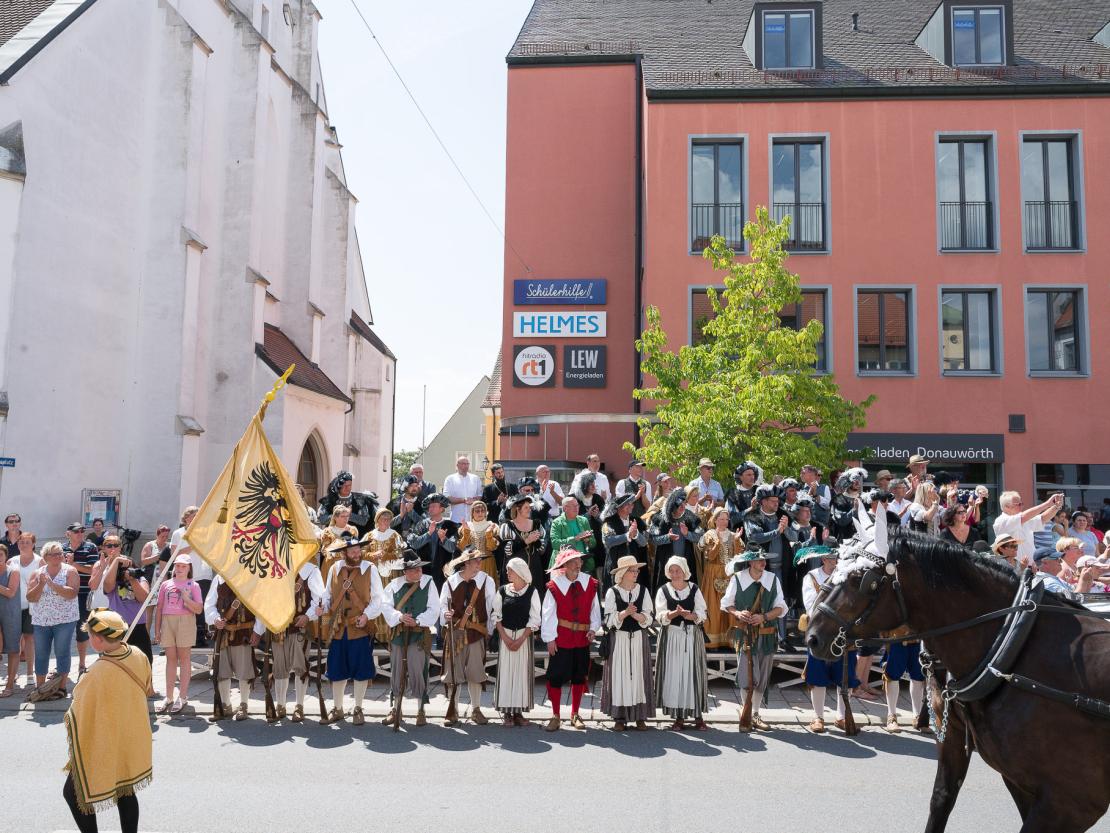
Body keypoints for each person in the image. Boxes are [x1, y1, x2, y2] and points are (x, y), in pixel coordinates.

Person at [62, 609, 151, 833]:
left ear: (99, 640)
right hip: (131, 735)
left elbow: (76, 710)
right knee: (126, 790)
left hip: (106, 741)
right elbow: (148, 687)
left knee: (74, 793)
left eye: (90, 635)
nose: (89, 638)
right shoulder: (139, 654)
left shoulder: (96, 672)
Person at [252, 554, 325, 722]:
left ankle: (299, 706)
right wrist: (258, 629)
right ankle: (281, 705)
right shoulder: (271, 569)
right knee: (279, 668)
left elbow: (320, 599)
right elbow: (264, 602)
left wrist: (308, 616)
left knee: (301, 667)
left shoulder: (311, 571)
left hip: (299, 627)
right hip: (277, 627)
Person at [321, 535, 384, 725]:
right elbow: (327, 595)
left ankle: (357, 708)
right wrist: (322, 608)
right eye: (352, 551)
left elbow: (378, 599)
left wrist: (366, 616)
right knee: (336, 670)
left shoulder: (370, 569)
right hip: (339, 628)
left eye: (358, 550)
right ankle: (338, 709)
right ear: (344, 553)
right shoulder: (334, 569)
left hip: (360, 626)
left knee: (361, 670)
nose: (357, 554)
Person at [722, 547, 785, 731]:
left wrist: (763, 617)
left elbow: (781, 607)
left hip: (766, 635)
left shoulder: (772, 579)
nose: (762, 562)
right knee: (746, 676)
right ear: (750, 562)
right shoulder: (738, 578)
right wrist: (738, 613)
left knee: (762, 677)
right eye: (758, 560)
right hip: (745, 635)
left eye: (764, 559)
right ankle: (746, 712)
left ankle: (755, 714)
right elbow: (726, 604)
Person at [541, 547, 601, 731]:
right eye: (573, 562)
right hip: (562, 637)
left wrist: (593, 628)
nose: (578, 564)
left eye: (579, 561)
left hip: (582, 638)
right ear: (564, 566)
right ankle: (555, 715)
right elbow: (548, 614)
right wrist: (550, 639)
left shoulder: (590, 583)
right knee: (556, 676)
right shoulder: (555, 585)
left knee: (579, 676)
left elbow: (594, 608)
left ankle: (575, 714)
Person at [798, 545, 856, 733]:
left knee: (845, 676)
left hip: (843, 632)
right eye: (832, 558)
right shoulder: (812, 577)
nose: (836, 561)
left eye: (837, 557)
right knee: (817, 675)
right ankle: (818, 717)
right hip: (821, 631)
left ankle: (841, 716)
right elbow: (811, 605)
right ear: (823, 559)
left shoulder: (847, 574)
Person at [380, 551, 440, 728]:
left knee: (418, 669)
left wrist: (418, 621)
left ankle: (421, 709)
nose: (419, 572)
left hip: (419, 635)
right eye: (415, 570)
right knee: (397, 670)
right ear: (405, 571)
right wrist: (399, 617)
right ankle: (395, 708)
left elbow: (434, 608)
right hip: (399, 635)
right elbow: (385, 605)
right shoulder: (393, 585)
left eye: (420, 569)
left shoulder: (428, 583)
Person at [439, 547, 495, 726]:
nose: (480, 563)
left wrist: (489, 631)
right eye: (476, 560)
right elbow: (442, 609)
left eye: (480, 560)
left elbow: (491, 608)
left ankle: (476, 709)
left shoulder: (487, 580)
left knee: (476, 672)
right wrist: (445, 615)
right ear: (466, 563)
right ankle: (453, 709)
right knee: (452, 674)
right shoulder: (450, 582)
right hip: (455, 633)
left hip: (476, 633)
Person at [654, 555, 708, 731]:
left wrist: (688, 615)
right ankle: (679, 717)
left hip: (691, 636)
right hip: (672, 637)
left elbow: (702, 613)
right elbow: (660, 615)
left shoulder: (694, 588)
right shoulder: (663, 590)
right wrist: (673, 614)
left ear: (684, 571)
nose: (675, 574)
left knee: (693, 674)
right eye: (672, 570)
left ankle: (698, 716)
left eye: (678, 570)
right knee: (675, 675)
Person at [601, 554, 654, 731]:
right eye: (632, 570)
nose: (636, 573)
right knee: (620, 677)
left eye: (637, 570)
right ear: (623, 573)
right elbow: (608, 621)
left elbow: (649, 617)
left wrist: (634, 614)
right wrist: (625, 613)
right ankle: (619, 717)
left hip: (638, 638)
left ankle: (640, 716)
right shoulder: (612, 592)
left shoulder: (643, 591)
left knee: (639, 676)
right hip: (620, 640)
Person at [26, 541, 80, 696]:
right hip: (42, 620)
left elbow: (72, 593)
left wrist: (52, 584)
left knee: (62, 651)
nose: (58, 556)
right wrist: (42, 584)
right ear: (45, 556)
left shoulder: (70, 571)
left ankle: (62, 688)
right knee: (41, 653)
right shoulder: (37, 574)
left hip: (65, 619)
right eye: (54, 554)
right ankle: (41, 688)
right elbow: (31, 597)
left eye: (60, 553)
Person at [492, 556, 540, 726]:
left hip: (523, 638)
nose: (507, 572)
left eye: (510, 570)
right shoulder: (503, 591)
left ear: (519, 572)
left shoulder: (532, 592)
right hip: (505, 636)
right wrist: (505, 638)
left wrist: (520, 639)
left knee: (521, 674)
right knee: (506, 674)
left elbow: (535, 619)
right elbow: (496, 616)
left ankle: (518, 713)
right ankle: (506, 713)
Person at [153, 554, 203, 714]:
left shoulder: (194, 585)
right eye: (177, 566)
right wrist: (157, 629)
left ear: (189, 568)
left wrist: (186, 599)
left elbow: (199, 609)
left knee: (184, 658)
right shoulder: (166, 584)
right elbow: (159, 607)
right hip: (168, 621)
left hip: (186, 621)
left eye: (183, 566)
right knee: (170, 658)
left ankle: (182, 696)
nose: (179, 569)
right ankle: (168, 696)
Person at [204, 574, 256, 721]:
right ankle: (225, 705)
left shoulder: (250, 576)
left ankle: (243, 705)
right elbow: (209, 605)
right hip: (223, 632)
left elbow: (259, 607)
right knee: (222, 671)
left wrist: (258, 631)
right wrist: (215, 619)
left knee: (244, 671)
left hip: (244, 633)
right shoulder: (219, 579)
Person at [98, 536, 153, 664]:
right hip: (117, 627)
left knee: (144, 663)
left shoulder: (140, 580)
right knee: (116, 663)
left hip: (137, 626)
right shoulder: (113, 582)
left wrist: (132, 580)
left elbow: (144, 598)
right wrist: (116, 560)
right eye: (123, 569)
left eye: (128, 567)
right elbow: (107, 585)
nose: (126, 571)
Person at [361, 507, 406, 644]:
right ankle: (375, 634)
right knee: (375, 600)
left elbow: (401, 552)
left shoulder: (394, 535)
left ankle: (389, 633)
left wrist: (387, 555)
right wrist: (372, 555)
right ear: (377, 520)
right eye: (383, 518)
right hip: (373, 576)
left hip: (391, 575)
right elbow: (360, 552)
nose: (386, 521)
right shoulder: (369, 536)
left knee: (389, 601)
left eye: (388, 519)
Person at [697, 507, 740, 649]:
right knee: (713, 605)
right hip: (713, 573)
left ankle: (730, 640)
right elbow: (708, 555)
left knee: (730, 605)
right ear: (715, 520)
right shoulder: (710, 534)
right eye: (721, 519)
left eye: (726, 519)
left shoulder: (733, 535)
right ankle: (713, 639)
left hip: (729, 573)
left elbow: (739, 556)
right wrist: (716, 544)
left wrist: (737, 542)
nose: (724, 522)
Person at [169, 506, 212, 647]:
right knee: (186, 606)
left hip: (204, 574)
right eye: (194, 515)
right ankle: (183, 637)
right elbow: (174, 554)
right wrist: (193, 544)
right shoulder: (178, 533)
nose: (197, 518)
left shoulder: (204, 532)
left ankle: (200, 637)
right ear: (187, 518)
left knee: (200, 606)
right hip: (186, 575)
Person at [62, 523, 99, 676]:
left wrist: (72, 564)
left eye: (82, 531)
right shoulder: (61, 548)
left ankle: (82, 664)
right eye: (77, 531)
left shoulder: (90, 547)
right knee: (63, 631)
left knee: (82, 631)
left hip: (84, 594)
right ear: (68, 533)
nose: (80, 533)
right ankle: (61, 666)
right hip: (65, 594)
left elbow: (93, 570)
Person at [993, 491, 1063, 570]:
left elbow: (1043, 518)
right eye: (1018, 504)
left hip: (1031, 567)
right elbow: (1023, 517)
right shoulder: (1001, 521)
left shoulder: (1023, 518)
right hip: (1012, 568)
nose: (1021, 507)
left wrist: (1056, 506)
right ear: (1007, 507)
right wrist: (1047, 504)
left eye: (1021, 504)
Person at [649, 488, 703, 591]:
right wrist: (667, 538)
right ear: (673, 505)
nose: (683, 507)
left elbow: (701, 536)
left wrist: (687, 534)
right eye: (680, 505)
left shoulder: (690, 517)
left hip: (686, 564)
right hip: (665, 564)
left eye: (684, 504)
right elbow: (652, 539)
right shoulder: (660, 518)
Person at [407, 493, 458, 588]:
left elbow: (453, 549)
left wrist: (444, 539)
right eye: (429, 507)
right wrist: (428, 534)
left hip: (443, 571)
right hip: (423, 570)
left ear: (442, 509)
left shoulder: (451, 526)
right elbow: (414, 544)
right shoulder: (421, 524)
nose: (430, 509)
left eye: (434, 506)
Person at [498, 493, 547, 592]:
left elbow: (541, 550)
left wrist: (536, 541)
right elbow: (508, 551)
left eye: (530, 507)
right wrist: (527, 540)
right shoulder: (508, 526)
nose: (529, 510)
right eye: (526, 508)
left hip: (534, 568)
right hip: (515, 570)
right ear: (517, 509)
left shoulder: (536, 524)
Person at [10, 531, 41, 685]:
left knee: (29, 639)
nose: (23, 544)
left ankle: (30, 674)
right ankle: (13, 674)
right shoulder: (12, 561)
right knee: (14, 641)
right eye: (21, 542)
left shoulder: (40, 561)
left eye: (27, 542)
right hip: (14, 606)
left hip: (32, 606)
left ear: (33, 544)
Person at [601, 494, 646, 591]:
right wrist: (627, 536)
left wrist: (636, 534)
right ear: (619, 507)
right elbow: (608, 541)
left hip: (633, 565)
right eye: (627, 504)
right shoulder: (609, 522)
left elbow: (644, 542)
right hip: (615, 563)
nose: (631, 506)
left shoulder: (637, 520)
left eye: (632, 504)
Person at [883, 639, 925, 734]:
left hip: (918, 637)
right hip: (897, 637)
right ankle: (891, 716)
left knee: (918, 676)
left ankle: (917, 716)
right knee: (892, 676)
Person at [319, 470, 378, 537]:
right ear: (339, 486)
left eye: (349, 485)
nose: (347, 488)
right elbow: (322, 519)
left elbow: (364, 521)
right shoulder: (329, 500)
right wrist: (338, 515)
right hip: (333, 538)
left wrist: (349, 515)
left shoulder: (360, 499)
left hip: (356, 538)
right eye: (344, 485)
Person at [457, 500, 501, 587]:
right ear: (472, 513)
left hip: (487, 563)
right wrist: (466, 533)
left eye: (482, 510)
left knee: (487, 590)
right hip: (470, 563)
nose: (480, 513)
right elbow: (462, 548)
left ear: (486, 512)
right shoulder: (466, 526)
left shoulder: (492, 526)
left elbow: (492, 547)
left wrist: (489, 535)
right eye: (477, 511)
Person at [550, 495, 596, 574]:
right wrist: (575, 538)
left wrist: (587, 540)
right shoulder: (557, 523)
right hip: (564, 565)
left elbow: (593, 544)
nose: (576, 508)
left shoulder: (583, 520)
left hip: (582, 564)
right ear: (565, 508)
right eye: (573, 506)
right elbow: (555, 544)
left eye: (577, 505)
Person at [0, 547, 20, 697]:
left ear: (6, 556)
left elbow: (11, 592)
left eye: (0, 554)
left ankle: (10, 684)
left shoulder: (13, 571)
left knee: (13, 649)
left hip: (10, 614)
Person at [443, 456, 483, 524]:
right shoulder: (450, 479)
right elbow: (447, 497)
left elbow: (480, 495)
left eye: (467, 464)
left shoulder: (475, 478)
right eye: (463, 463)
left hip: (473, 520)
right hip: (456, 520)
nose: (466, 466)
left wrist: (474, 500)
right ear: (457, 465)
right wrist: (463, 500)